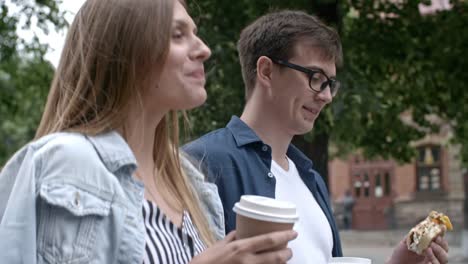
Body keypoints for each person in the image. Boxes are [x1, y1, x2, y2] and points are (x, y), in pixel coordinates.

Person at [0, 1, 297, 263]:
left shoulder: (190, 183)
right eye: (178, 35)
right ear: (125, 48)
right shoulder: (67, 162)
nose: (204, 50)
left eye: (194, 33)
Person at [183, 10, 449, 264]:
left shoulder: (311, 178)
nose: (326, 95)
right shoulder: (201, 163)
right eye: (315, 77)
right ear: (266, 71)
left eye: (330, 83)